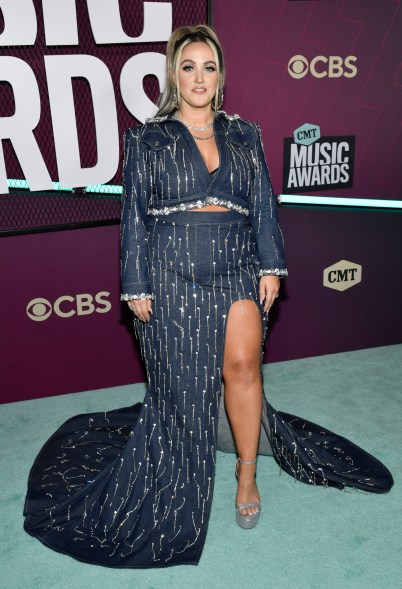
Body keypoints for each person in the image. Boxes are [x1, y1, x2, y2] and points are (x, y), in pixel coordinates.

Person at [24, 24, 393, 569]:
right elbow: (134, 222)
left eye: (209, 66)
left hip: (237, 264)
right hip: (170, 273)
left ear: (221, 77)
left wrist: (272, 266)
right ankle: (182, 465)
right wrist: (135, 283)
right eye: (189, 66)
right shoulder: (147, 139)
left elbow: (265, 205)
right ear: (175, 74)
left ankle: (247, 474)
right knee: (180, 386)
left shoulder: (245, 134)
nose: (200, 77)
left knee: (243, 368)